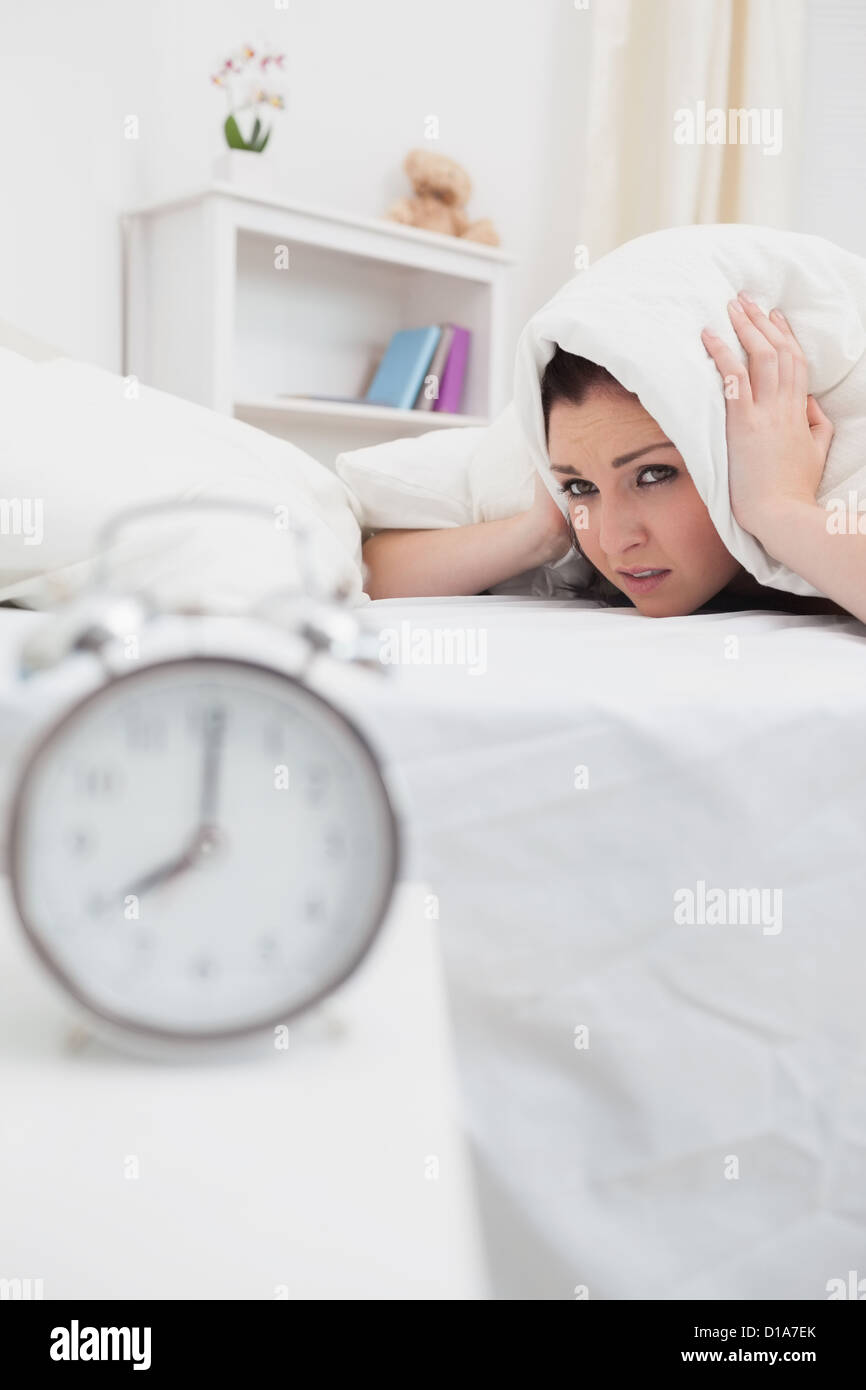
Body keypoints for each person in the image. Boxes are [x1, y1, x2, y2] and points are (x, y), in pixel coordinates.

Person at [362, 292, 860, 621]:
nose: (614, 540)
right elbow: (369, 574)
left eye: (654, 474)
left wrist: (779, 508)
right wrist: (542, 531)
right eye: (581, 486)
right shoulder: (579, 540)